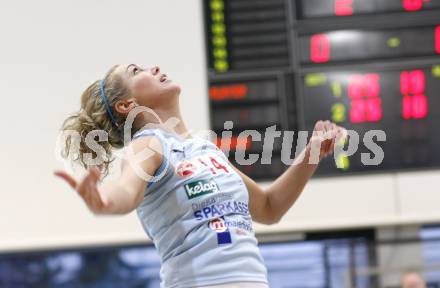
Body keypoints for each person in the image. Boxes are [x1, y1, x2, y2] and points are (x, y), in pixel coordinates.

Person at [54, 64, 345, 288]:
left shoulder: (206, 150)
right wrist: (104, 202)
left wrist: (311, 156)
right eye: (136, 71)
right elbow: (126, 191)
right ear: (127, 105)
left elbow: (269, 208)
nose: (153, 68)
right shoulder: (148, 144)